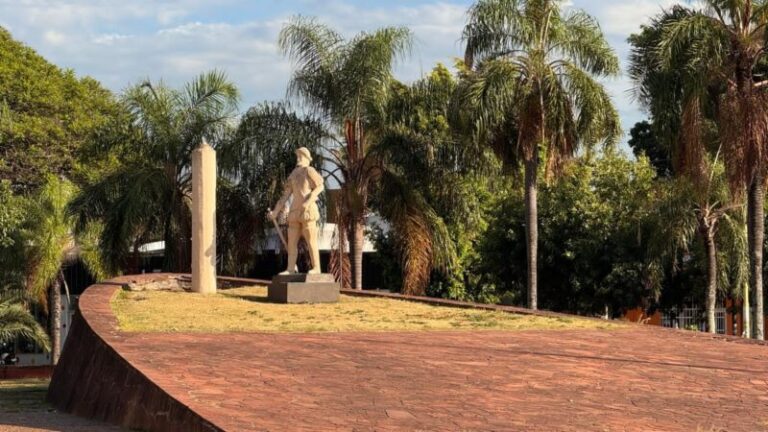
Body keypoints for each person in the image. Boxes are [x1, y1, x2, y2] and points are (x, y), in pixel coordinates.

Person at [268, 147, 324, 274]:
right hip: (294, 211)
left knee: (311, 241)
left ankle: (317, 268)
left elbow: (320, 186)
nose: (298, 158)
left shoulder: (309, 170)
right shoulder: (293, 174)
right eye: (297, 155)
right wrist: (275, 212)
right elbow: (285, 196)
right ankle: (290, 268)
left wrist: (310, 200)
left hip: (307, 211)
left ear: (307, 159)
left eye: (301, 155)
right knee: (292, 242)